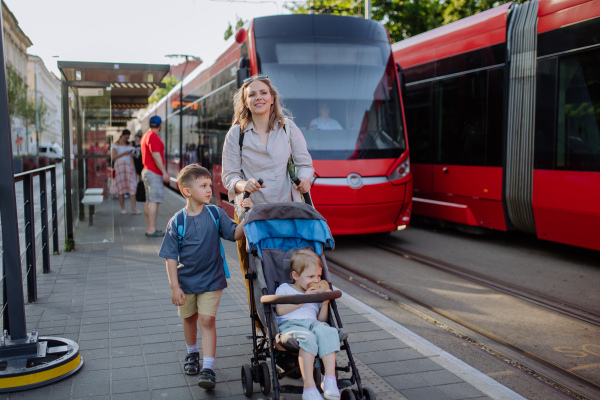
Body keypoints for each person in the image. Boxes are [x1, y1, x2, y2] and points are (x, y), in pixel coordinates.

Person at [222, 74, 314, 308]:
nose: (258, 97)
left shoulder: (288, 128)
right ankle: (263, 323)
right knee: (254, 270)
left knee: (290, 264)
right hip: (252, 213)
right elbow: (229, 176)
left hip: (287, 210)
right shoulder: (236, 134)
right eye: (251, 94)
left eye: (263, 92)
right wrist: (245, 184)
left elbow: (304, 163)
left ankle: (296, 315)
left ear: (272, 98)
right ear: (245, 102)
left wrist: (304, 179)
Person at [158, 164, 245, 389]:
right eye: (203, 185)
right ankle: (192, 352)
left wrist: (248, 220)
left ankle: (208, 367)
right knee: (189, 319)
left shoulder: (216, 213)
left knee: (207, 320)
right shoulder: (177, 222)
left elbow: (233, 234)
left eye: (209, 185)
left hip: (212, 279)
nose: (209, 189)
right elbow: (170, 256)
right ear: (187, 191)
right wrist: (174, 287)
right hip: (185, 281)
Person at [275, 249, 340, 400]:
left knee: (329, 331)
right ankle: (309, 387)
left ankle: (330, 380)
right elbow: (280, 310)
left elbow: (321, 320)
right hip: (291, 326)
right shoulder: (285, 288)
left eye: (318, 276)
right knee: (308, 337)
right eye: (311, 276)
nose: (316, 280)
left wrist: (324, 304)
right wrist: (304, 298)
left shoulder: (316, 293)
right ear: (295, 276)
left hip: (313, 323)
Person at [141, 116, 170, 237]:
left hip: (147, 171)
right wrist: (164, 172)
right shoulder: (153, 137)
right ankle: (151, 229)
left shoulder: (145, 135)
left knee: (149, 201)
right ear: (160, 125)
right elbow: (156, 156)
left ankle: (149, 228)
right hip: (154, 172)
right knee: (154, 201)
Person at [110, 129, 141, 215]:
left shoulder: (130, 144)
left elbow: (131, 158)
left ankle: (133, 208)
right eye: (125, 137)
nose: (127, 139)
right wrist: (125, 153)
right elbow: (113, 157)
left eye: (128, 137)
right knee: (121, 187)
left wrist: (134, 171)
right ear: (122, 136)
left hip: (129, 166)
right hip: (119, 167)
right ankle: (122, 208)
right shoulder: (116, 144)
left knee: (132, 186)